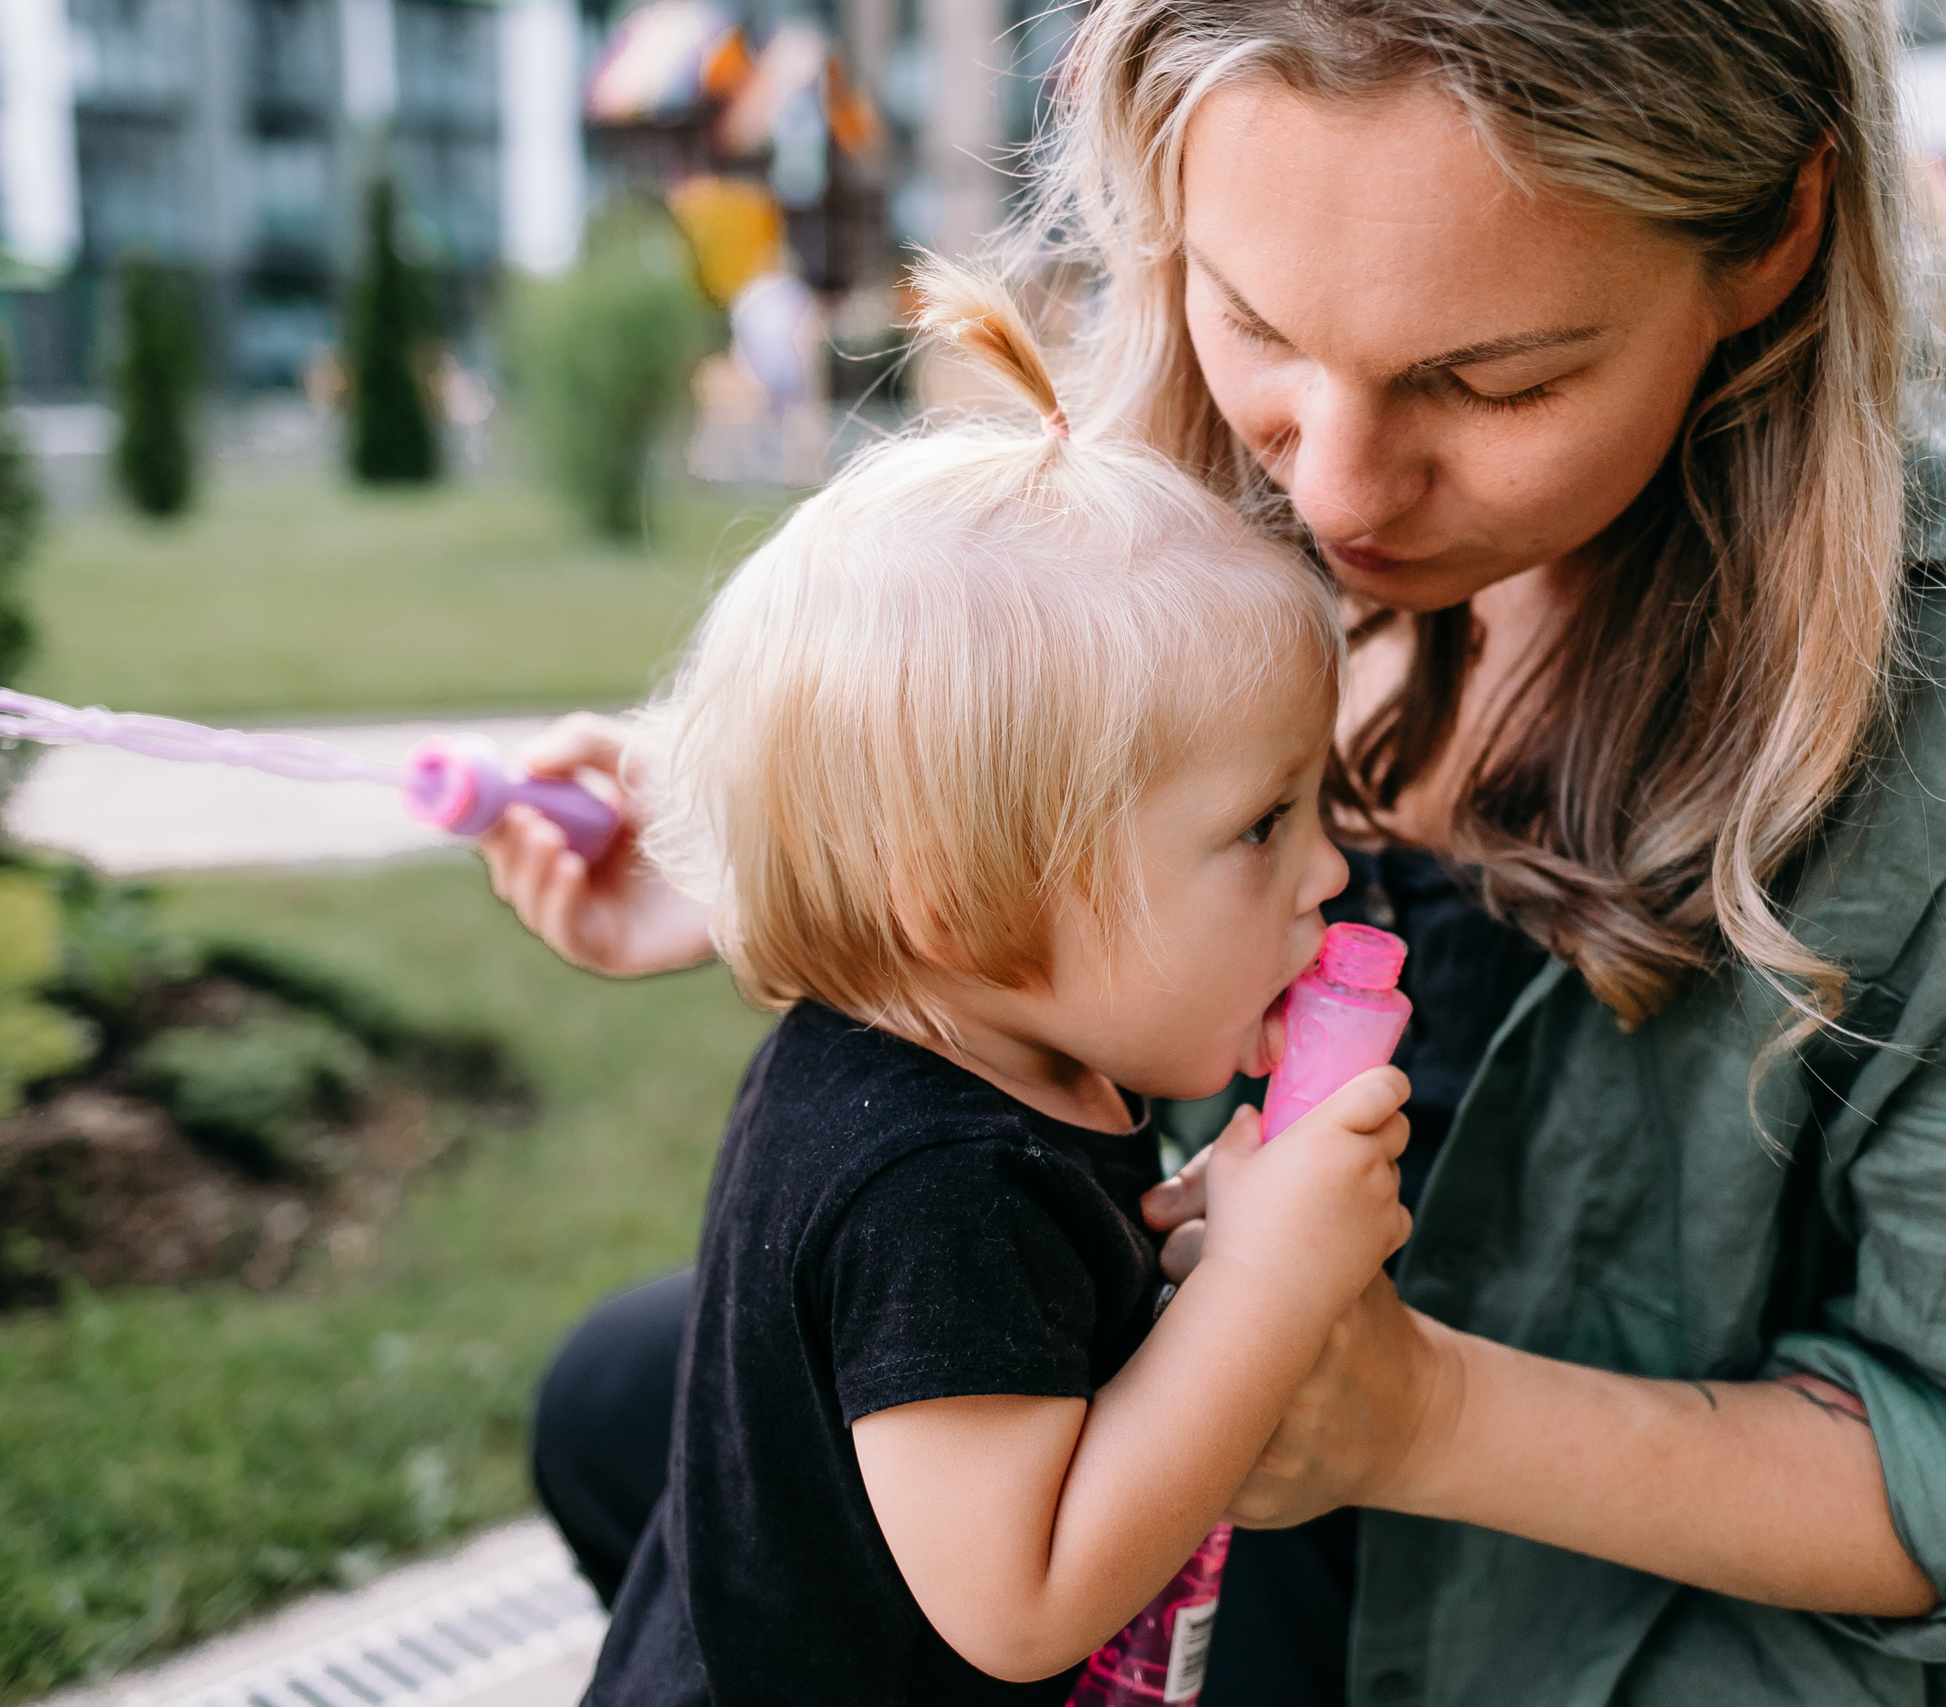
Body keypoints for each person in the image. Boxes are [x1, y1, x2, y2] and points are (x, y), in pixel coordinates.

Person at [486, 2, 1946, 1701]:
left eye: (1491, 381)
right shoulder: (1216, 491)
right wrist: (814, 848)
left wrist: (1412, 1418)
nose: (1328, 493)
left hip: (1585, 1621)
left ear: (1775, 231)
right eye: (1252, 320)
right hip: (1234, 1431)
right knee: (624, 1407)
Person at [582, 262, 1419, 1704]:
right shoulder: (933, 1186)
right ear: (966, 901)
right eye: (1262, 827)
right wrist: (1272, 1284)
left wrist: (1186, 1271)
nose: (1329, 870)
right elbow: (1022, 1603)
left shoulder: (1001, 1056)